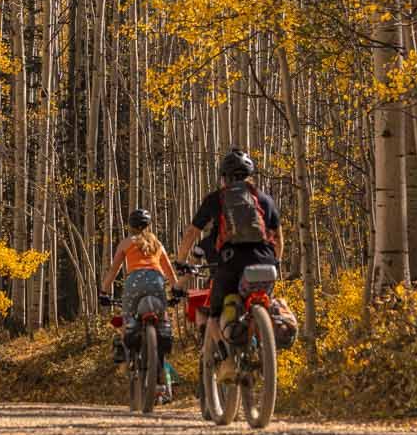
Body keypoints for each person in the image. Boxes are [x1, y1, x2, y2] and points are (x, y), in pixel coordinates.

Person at [175, 149, 282, 379]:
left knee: (214, 315)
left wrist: (181, 261)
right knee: (266, 302)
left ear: (224, 177)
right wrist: (277, 261)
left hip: (232, 261)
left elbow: (192, 232)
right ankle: (265, 348)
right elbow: (278, 237)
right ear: (249, 175)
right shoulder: (264, 199)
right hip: (265, 260)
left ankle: (228, 362)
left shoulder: (217, 198)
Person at [103, 209, 181, 396]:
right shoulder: (157, 244)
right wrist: (177, 290)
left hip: (134, 283)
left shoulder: (126, 243)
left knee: (128, 318)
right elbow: (169, 272)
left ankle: (124, 350)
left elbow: (113, 271)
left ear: (130, 227)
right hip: (157, 282)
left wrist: (103, 291)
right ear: (149, 226)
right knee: (162, 321)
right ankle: (162, 370)